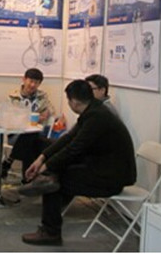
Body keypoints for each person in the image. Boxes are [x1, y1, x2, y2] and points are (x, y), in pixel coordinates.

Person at [19, 79, 136, 246]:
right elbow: (69, 138)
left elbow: (74, 148)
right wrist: (42, 158)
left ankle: (50, 232)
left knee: (52, 183)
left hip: (111, 178)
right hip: (102, 169)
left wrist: (46, 167)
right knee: (54, 173)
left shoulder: (97, 117)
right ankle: (50, 218)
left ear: (73, 101)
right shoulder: (94, 111)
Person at [1, 68, 58, 181]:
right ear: (24, 79)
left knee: (32, 139)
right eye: (30, 81)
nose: (32, 85)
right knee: (31, 138)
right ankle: (27, 180)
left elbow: (51, 110)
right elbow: (10, 116)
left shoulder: (42, 96)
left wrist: (48, 113)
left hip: (36, 133)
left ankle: (9, 160)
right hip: (16, 134)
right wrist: (31, 118)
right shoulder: (13, 97)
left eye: (36, 83)